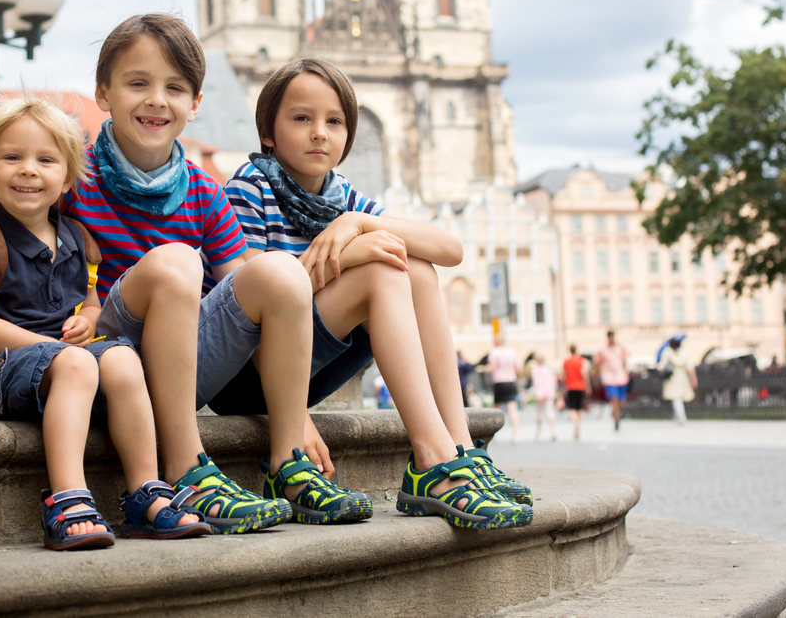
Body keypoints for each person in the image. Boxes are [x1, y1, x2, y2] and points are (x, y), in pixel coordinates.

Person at [0, 14, 338, 534]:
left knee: (280, 272)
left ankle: (286, 462)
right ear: (104, 93)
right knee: (178, 259)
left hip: (175, 364)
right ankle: (186, 470)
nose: (156, 99)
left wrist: (292, 412)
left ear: (195, 104)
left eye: (174, 88)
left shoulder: (206, 191)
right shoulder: (69, 171)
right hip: (104, 355)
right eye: (138, 83)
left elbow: (254, 301)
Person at [214, 57, 533, 529]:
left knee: (418, 269)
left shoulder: (342, 196)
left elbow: (451, 249)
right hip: (251, 370)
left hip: (306, 363)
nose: (319, 132)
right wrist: (295, 415)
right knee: (384, 270)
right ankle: (431, 461)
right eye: (301, 118)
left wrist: (358, 223)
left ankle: (460, 447)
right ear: (268, 132)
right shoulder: (250, 187)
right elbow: (253, 308)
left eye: (334, 121)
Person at [0, 94, 210, 548]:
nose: (29, 169)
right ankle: (68, 499)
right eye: (12, 157)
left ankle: (145, 492)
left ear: (68, 177)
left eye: (45, 160)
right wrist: (53, 349)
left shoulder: (76, 239)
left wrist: (88, 322)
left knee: (123, 358)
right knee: (78, 364)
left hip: (63, 364)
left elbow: (89, 301)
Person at [486, 334, 522, 444]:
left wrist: (484, 369)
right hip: (510, 381)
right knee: (513, 408)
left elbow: (492, 368)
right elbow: (518, 369)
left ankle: (493, 433)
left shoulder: (494, 352)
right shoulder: (511, 352)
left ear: (496, 342)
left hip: (499, 381)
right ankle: (515, 434)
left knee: (496, 409)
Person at [594, 329, 629, 432]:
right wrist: (596, 379)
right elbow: (597, 364)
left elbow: (624, 362)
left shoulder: (621, 348)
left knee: (621, 402)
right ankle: (616, 421)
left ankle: (616, 413)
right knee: (614, 400)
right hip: (609, 378)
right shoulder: (602, 350)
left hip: (621, 378)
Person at [659, 336, 697, 425]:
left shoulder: (667, 352)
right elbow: (690, 367)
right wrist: (694, 379)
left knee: (676, 398)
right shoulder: (684, 353)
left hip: (672, 379)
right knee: (678, 398)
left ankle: (681, 417)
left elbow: (661, 366)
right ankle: (677, 417)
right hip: (683, 378)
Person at [529, 354, 558, 441]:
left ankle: (538, 432)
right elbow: (553, 381)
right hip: (549, 392)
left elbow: (535, 382)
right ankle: (552, 431)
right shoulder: (548, 369)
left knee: (540, 413)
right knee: (550, 411)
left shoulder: (534, 370)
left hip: (540, 393)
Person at [561, 345, 587, 441]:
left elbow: (564, 375)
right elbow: (584, 374)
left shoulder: (566, 361)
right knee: (579, 408)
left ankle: (576, 423)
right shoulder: (580, 361)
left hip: (570, 387)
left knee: (572, 408)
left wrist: (564, 386)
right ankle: (578, 424)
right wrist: (588, 386)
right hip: (580, 387)